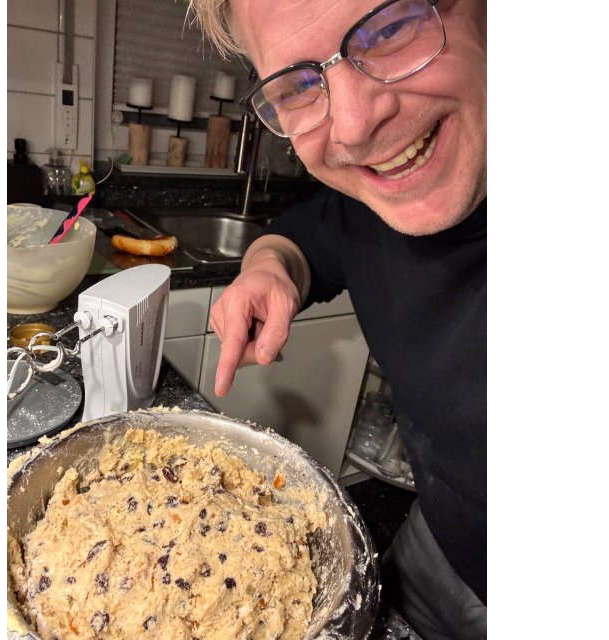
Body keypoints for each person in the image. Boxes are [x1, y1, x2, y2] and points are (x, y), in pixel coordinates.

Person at [185, 0, 486, 637]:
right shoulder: (373, 198)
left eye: (391, 29)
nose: (351, 126)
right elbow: (303, 238)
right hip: (433, 543)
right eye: (296, 85)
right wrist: (269, 267)